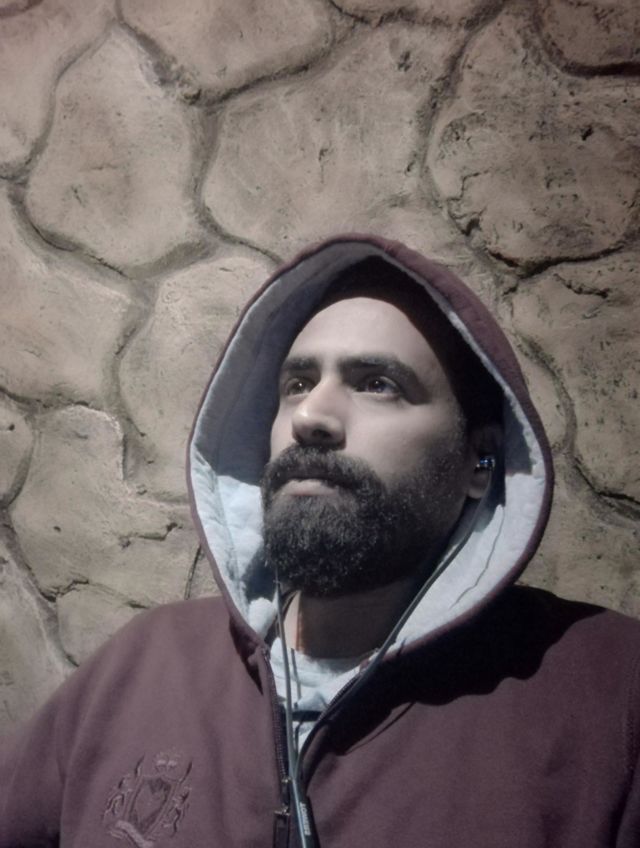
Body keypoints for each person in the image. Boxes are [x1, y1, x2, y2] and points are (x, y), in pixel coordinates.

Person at [1, 234, 639, 847]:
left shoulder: (608, 697)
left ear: (481, 460)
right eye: (298, 384)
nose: (311, 417)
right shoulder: (143, 665)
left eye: (377, 383)